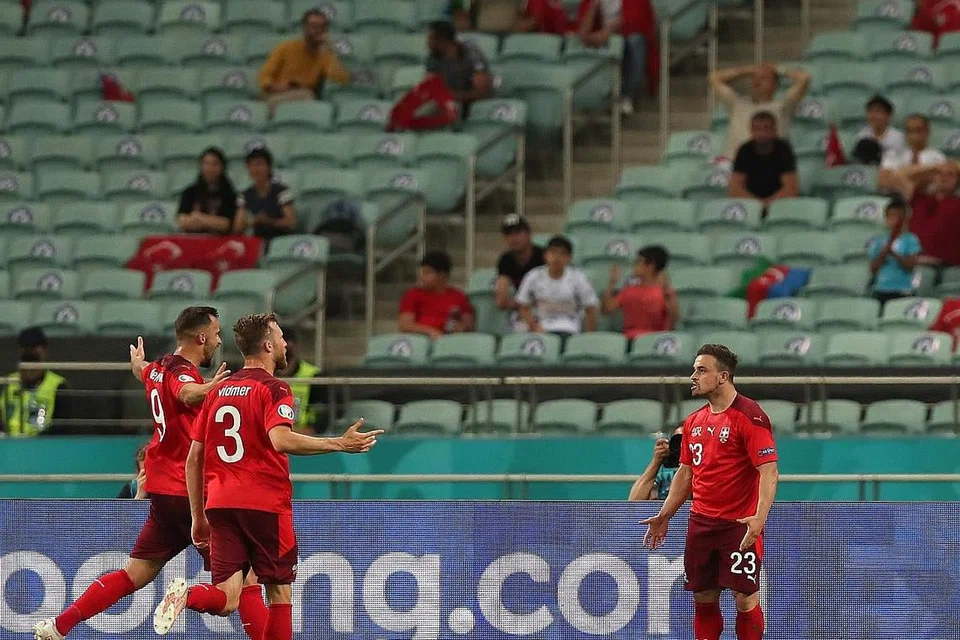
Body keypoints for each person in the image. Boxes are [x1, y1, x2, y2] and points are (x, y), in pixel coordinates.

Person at [32, 307, 259, 640]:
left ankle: (57, 626)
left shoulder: (157, 368)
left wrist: (137, 363)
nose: (219, 340)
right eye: (217, 333)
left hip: (163, 494)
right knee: (239, 590)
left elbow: (144, 372)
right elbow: (185, 392)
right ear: (201, 337)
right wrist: (213, 388)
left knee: (134, 573)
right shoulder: (183, 373)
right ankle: (188, 595)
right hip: (195, 495)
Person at [152, 313, 383, 640]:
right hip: (264, 504)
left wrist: (197, 516)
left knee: (228, 597)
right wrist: (338, 443)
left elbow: (193, 459)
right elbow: (281, 439)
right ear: (268, 344)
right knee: (279, 593)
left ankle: (188, 595)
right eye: (281, 337)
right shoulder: (274, 389)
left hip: (219, 503)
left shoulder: (217, 391)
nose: (286, 343)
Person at [641, 344, 779, 640]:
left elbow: (769, 472)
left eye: (701, 370)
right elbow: (686, 473)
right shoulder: (693, 422)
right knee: (703, 597)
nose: (693, 376)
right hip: (701, 524)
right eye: (694, 369)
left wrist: (759, 519)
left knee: (744, 598)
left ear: (723, 377)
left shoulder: (750, 416)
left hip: (738, 526)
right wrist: (665, 514)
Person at [711, 63, 811, 159]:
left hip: (770, 166)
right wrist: (747, 70)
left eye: (764, 78)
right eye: (754, 78)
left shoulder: (783, 106)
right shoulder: (737, 104)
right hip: (736, 166)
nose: (757, 82)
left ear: (774, 85)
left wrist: (778, 69)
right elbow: (715, 78)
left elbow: (804, 78)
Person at [257, 8, 349, 111]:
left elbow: (341, 78)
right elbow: (264, 77)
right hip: (274, 95)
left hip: (302, 97)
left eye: (322, 28)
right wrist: (278, 87)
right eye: (313, 26)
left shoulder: (324, 56)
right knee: (306, 96)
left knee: (307, 96)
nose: (317, 31)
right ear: (305, 28)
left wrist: (331, 50)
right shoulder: (285, 48)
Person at [576, 0, 659, 114]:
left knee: (635, 41)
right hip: (601, 44)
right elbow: (583, 32)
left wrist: (607, 33)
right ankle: (590, 96)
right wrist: (593, 7)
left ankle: (626, 97)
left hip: (627, 40)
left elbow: (637, 23)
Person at [516, 235, 599, 339]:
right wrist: (535, 326)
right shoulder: (533, 276)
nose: (557, 258)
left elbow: (590, 308)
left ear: (569, 258)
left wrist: (588, 338)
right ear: (545, 255)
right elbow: (523, 306)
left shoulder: (578, 278)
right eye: (553, 252)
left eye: (562, 254)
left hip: (569, 325)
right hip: (541, 324)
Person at [2, 327, 70, 437]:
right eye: (25, 347)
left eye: (34, 347)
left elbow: (62, 427)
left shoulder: (58, 385)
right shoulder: (6, 382)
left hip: (41, 447)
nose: (29, 350)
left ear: (45, 351)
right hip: (8, 445)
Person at [602, 245, 679, 338]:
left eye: (638, 262)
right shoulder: (628, 291)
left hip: (655, 340)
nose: (634, 266)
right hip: (630, 339)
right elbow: (607, 309)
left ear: (650, 266)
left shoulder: (664, 293)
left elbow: (674, 319)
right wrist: (611, 284)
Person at [728, 111, 799, 208]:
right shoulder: (744, 149)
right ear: (751, 131)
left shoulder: (783, 149)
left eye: (767, 128)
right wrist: (757, 205)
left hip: (779, 204)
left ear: (775, 130)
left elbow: (791, 188)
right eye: (758, 129)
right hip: (750, 205)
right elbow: (735, 187)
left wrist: (767, 204)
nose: (762, 133)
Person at [398, 251, 475, 338]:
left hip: (449, 342)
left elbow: (469, 326)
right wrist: (430, 331)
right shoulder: (412, 295)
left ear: (442, 275)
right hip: (421, 341)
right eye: (422, 272)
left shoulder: (459, 297)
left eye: (427, 273)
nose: (422, 276)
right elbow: (405, 325)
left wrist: (461, 328)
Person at [426, 20, 493, 112]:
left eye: (431, 38)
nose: (428, 42)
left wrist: (452, 96)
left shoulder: (471, 53)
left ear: (443, 40)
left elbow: (482, 91)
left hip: (476, 106)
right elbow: (432, 88)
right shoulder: (433, 58)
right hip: (452, 106)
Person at [233, 148, 297, 243]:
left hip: (280, 239)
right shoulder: (244, 195)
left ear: (269, 167)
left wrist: (270, 221)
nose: (256, 169)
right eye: (252, 165)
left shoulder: (282, 192)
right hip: (257, 241)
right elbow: (237, 227)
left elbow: (291, 223)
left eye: (259, 164)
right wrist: (251, 222)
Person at [902, 161, 960, 266]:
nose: (944, 177)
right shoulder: (920, 198)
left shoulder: (957, 203)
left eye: (950, 174)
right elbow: (903, 176)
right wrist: (932, 168)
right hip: (912, 263)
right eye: (939, 173)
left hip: (947, 265)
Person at [868, 197, 922, 304]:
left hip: (903, 290)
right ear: (886, 219)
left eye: (900, 217)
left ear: (906, 220)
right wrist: (884, 252)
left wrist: (895, 254)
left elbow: (911, 265)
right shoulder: (879, 241)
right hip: (882, 290)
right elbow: (873, 268)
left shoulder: (911, 239)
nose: (896, 221)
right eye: (892, 217)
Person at [177, 148, 239, 234]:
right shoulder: (190, 192)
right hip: (193, 241)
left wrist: (199, 218)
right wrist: (212, 222)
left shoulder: (229, 194)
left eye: (215, 164)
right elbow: (182, 221)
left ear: (222, 167)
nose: (210, 168)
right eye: (206, 164)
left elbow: (226, 224)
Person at [275, 326, 323, 434]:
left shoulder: (314, 376)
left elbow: (326, 412)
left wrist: (312, 430)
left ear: (296, 348)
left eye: (288, 354)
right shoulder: (262, 377)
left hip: (304, 437)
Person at [879, 114, 946, 190]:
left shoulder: (938, 157)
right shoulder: (893, 154)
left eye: (918, 130)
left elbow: (931, 184)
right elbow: (882, 182)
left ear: (927, 131)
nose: (914, 135)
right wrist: (924, 171)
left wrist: (900, 175)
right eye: (909, 131)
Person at [495, 214, 546, 310]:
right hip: (520, 312)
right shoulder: (505, 260)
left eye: (518, 232)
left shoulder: (543, 256)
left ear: (528, 234)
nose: (513, 238)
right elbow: (501, 302)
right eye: (509, 234)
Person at [628, 426, 684, 500]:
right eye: (678, 442)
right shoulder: (665, 479)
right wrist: (656, 461)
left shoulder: (703, 479)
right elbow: (633, 503)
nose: (683, 447)